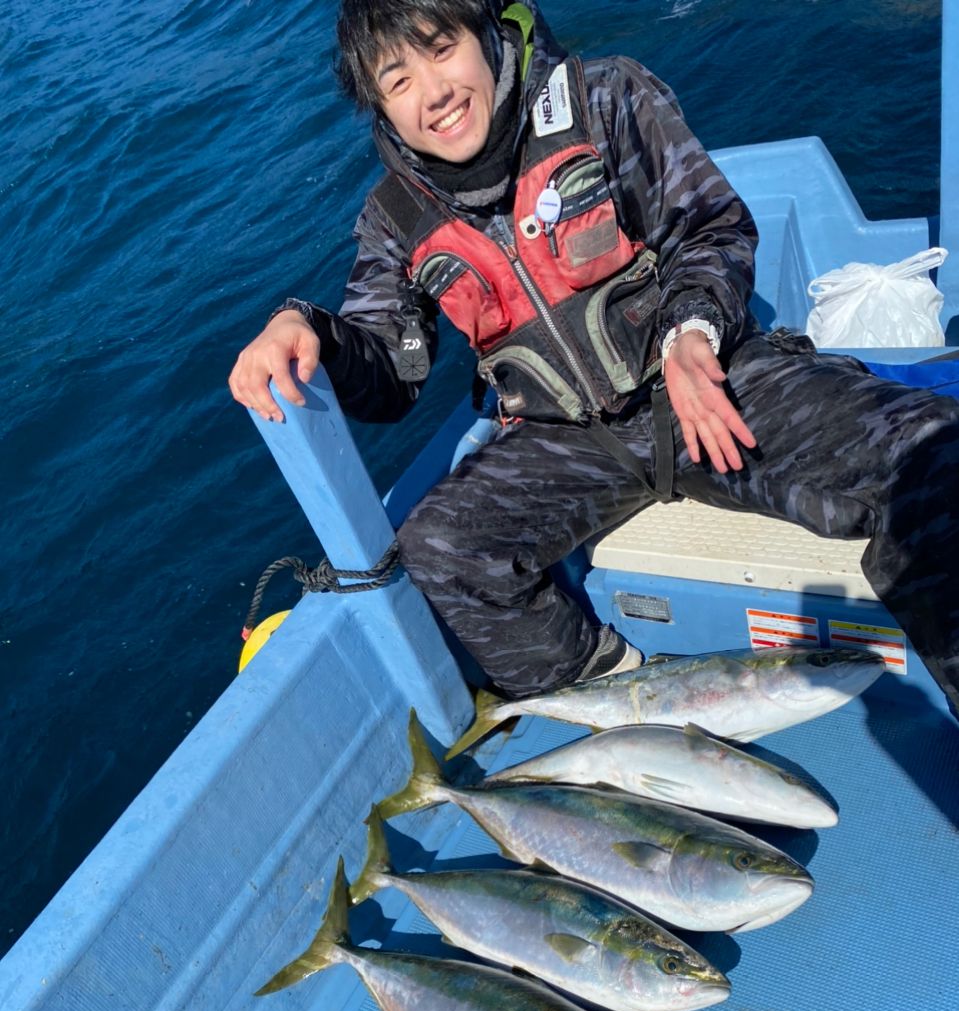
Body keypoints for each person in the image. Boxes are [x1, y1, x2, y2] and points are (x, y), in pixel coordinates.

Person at [229, 0, 959, 712]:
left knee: (932, 453)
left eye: (442, 48)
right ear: (379, 109)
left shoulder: (605, 97)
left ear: (485, 33)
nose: (435, 93)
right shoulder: (395, 218)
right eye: (397, 81)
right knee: (441, 550)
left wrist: (690, 337)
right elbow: (389, 376)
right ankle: (611, 691)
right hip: (561, 442)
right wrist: (310, 330)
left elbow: (710, 230)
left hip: (704, 382)